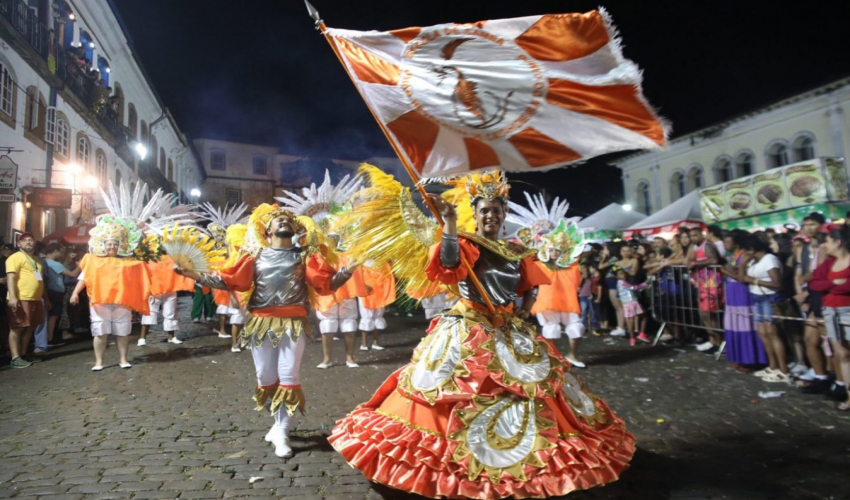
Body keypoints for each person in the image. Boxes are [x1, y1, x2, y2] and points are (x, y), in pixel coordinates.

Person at [329, 170, 635, 499]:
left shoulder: (516, 250)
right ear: (475, 214)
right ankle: (457, 464)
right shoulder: (464, 242)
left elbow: (530, 283)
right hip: (468, 327)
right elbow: (449, 266)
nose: (491, 215)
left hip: (508, 327)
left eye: (497, 210)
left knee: (528, 388)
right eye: (484, 210)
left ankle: (518, 458)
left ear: (504, 214)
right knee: (455, 389)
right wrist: (448, 223)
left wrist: (525, 306)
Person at [176, 204, 356, 458]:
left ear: (295, 229)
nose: (283, 222)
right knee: (265, 376)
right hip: (260, 323)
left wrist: (349, 269)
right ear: (267, 230)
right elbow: (229, 281)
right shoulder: (254, 255)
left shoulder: (305, 256)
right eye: (278, 220)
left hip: (293, 323)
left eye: (288, 220)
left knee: (288, 374)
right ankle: (278, 423)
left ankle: (282, 432)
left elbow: (326, 284)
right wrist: (193, 274)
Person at [71, 229, 152, 371]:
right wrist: (75, 293)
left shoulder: (128, 262)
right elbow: (84, 278)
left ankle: (123, 359)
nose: (112, 247)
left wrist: (147, 292)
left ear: (120, 246)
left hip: (122, 301)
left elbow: (139, 276)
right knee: (100, 332)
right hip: (100, 301)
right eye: (109, 244)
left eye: (115, 244)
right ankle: (99, 362)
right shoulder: (94, 261)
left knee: (122, 332)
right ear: (103, 245)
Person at [809, 225, 850, 408]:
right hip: (830, 313)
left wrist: (829, 285)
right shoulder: (828, 264)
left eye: (827, 241)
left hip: (847, 311)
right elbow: (815, 284)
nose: (825, 245)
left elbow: (847, 287)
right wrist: (833, 282)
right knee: (842, 355)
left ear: (838, 242)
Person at [741, 235, 788, 382]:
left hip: (770, 299)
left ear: (752, 249)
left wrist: (755, 280)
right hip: (757, 298)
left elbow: (777, 283)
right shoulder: (753, 261)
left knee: (773, 333)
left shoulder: (769, 259)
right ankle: (772, 366)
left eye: (745, 251)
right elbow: (743, 278)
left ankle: (784, 370)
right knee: (763, 333)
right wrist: (742, 265)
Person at [719, 230, 765, 370]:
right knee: (735, 325)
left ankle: (750, 359)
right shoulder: (731, 256)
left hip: (742, 294)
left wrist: (726, 271)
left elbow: (741, 276)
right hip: (732, 293)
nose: (725, 245)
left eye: (728, 242)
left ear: (737, 243)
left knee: (746, 325)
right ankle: (739, 357)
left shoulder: (745, 256)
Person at [5, 233, 50, 368]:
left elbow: (40, 281)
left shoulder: (37, 260)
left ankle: (24, 353)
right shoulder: (15, 258)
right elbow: (11, 278)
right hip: (21, 298)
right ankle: (15, 357)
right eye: (24, 241)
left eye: (31, 240)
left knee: (31, 327)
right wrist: (13, 297)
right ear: (19, 244)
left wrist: (45, 298)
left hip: (35, 299)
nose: (28, 242)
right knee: (17, 327)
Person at [139, 254, 194, 346]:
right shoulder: (150, 257)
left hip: (170, 290)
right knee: (150, 313)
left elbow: (183, 268)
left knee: (171, 313)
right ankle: (142, 338)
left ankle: (171, 337)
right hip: (154, 290)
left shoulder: (174, 258)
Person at [689, 227, 724, 354]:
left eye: (695, 235)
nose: (693, 238)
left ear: (702, 235)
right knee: (704, 314)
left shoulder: (707, 245)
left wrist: (695, 264)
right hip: (702, 283)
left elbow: (714, 260)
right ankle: (712, 341)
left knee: (709, 314)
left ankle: (719, 342)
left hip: (711, 283)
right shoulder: (695, 247)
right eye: (691, 236)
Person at [355, 261, 395, 351]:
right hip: (366, 293)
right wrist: (363, 286)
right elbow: (357, 276)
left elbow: (388, 277)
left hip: (379, 292)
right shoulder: (361, 262)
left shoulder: (383, 263)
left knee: (378, 316)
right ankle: (364, 344)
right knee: (366, 316)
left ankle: (375, 342)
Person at [615, 267, 649, 346]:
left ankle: (632, 339)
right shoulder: (622, 282)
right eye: (621, 274)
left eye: (624, 273)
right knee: (644, 316)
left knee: (631, 321)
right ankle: (641, 334)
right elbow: (634, 288)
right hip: (632, 302)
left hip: (626, 303)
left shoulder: (619, 283)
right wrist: (645, 283)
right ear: (617, 276)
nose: (624, 275)